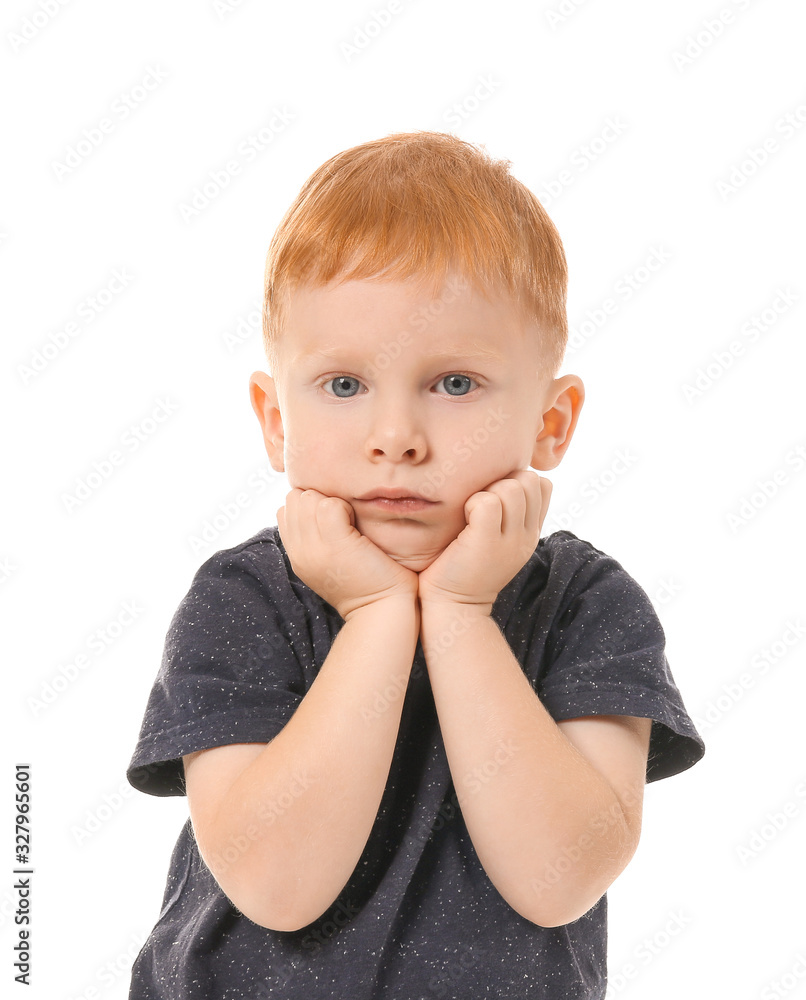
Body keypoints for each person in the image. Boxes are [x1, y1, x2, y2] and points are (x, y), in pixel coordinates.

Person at [126, 130, 705, 999]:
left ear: (551, 423)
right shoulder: (241, 598)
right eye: (345, 385)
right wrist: (377, 616)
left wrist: (462, 614)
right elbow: (276, 885)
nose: (395, 438)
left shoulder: (588, 605)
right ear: (276, 422)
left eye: (455, 384)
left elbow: (559, 878)